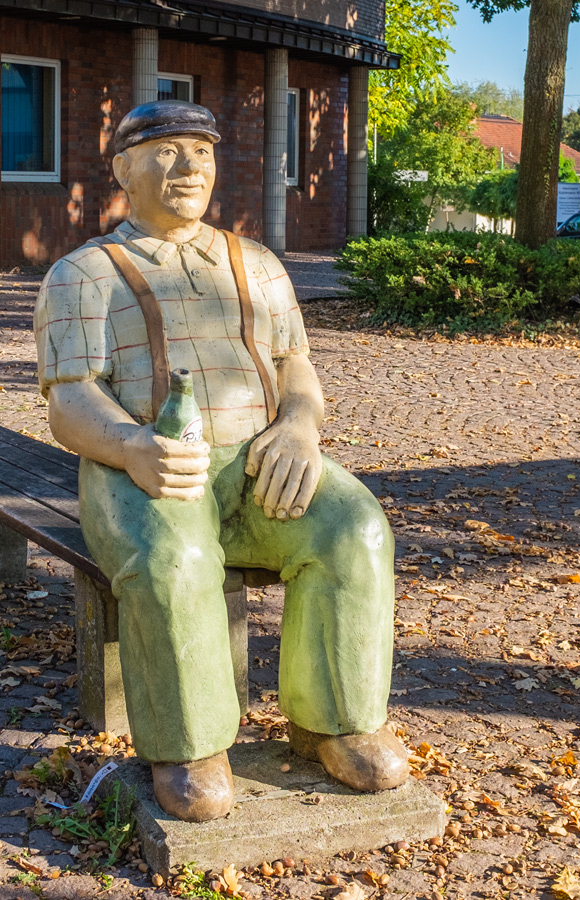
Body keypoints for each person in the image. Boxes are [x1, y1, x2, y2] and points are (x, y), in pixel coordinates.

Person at [34, 100, 409, 822]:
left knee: (354, 529)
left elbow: (295, 366)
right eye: (166, 151)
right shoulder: (83, 275)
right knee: (175, 562)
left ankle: (337, 721)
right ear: (123, 170)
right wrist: (131, 446)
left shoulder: (257, 264)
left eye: (201, 152)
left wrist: (299, 425)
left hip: (258, 459)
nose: (189, 167)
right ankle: (190, 743)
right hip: (140, 469)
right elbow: (70, 400)